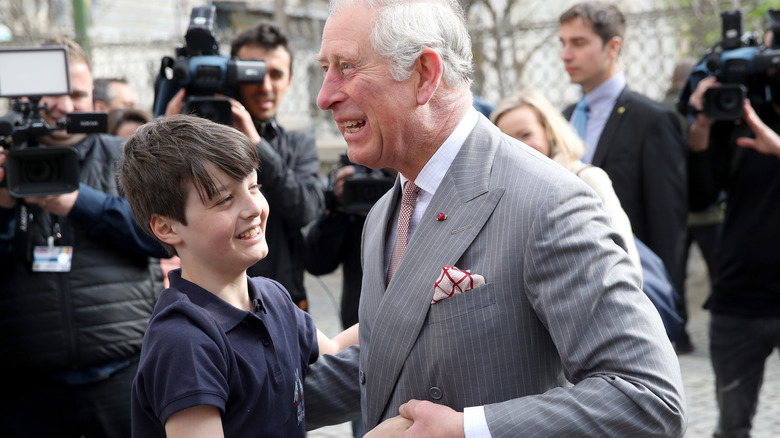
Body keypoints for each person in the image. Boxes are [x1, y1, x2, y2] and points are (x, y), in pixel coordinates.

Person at [303, 0, 687, 436]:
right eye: (325, 69)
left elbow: (649, 397)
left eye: (347, 67)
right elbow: (388, 360)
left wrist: (469, 429)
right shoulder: (382, 215)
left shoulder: (546, 201)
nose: (325, 95)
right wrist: (231, 392)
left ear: (424, 75)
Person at [118, 114, 357, 437]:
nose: (253, 208)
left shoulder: (272, 296)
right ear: (167, 227)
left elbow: (336, 354)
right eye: (225, 199)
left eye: (254, 186)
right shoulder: (185, 340)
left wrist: (415, 299)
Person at [0, 37, 165, 438]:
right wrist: (4, 204)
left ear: (93, 98)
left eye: (76, 93)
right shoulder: (3, 160)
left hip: (124, 374)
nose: (65, 105)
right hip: (25, 388)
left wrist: (78, 202)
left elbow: (161, 237)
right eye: (51, 93)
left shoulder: (126, 155)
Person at [167, 21, 324, 310]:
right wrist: (169, 133)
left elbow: (304, 209)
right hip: (206, 303)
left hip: (282, 303)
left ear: (290, 80)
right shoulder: (193, 143)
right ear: (233, 76)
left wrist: (256, 143)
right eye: (254, 74)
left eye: (276, 74)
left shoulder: (297, 145)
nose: (265, 86)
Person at [559, 1, 689, 338]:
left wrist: (661, 309)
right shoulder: (566, 115)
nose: (566, 55)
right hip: (573, 293)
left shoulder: (652, 119)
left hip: (630, 296)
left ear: (613, 46)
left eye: (579, 43)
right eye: (563, 43)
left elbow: (667, 224)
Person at [686, 66, 780, 438]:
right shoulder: (738, 118)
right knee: (731, 427)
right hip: (738, 299)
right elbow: (700, 198)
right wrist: (702, 127)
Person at [490, 89, 640, 269]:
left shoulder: (587, 178)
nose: (518, 147)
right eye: (507, 140)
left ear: (549, 131)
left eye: (526, 135)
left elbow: (626, 259)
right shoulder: (500, 194)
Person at [663, 57, 723, 354]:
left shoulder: (661, 110)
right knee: (718, 273)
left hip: (678, 210)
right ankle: (720, 329)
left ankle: (681, 334)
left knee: (675, 275)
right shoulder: (694, 106)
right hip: (707, 210)